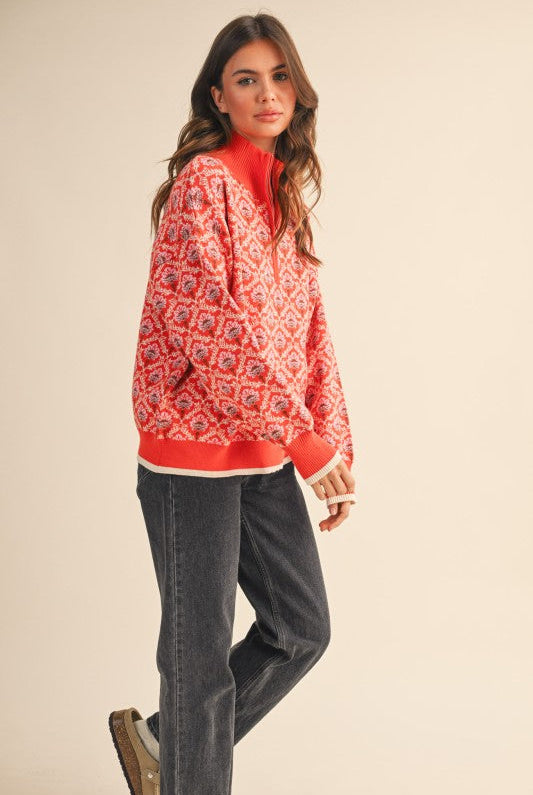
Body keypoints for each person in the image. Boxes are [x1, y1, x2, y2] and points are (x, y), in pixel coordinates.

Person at [108, 12, 356, 795]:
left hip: (265, 455)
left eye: (279, 76)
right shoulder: (202, 184)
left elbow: (311, 334)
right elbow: (208, 325)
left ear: (298, 90)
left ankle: (159, 743)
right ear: (218, 97)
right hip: (190, 462)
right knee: (198, 661)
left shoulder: (282, 196)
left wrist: (329, 446)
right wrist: (301, 439)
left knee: (300, 629)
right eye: (246, 79)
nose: (266, 92)